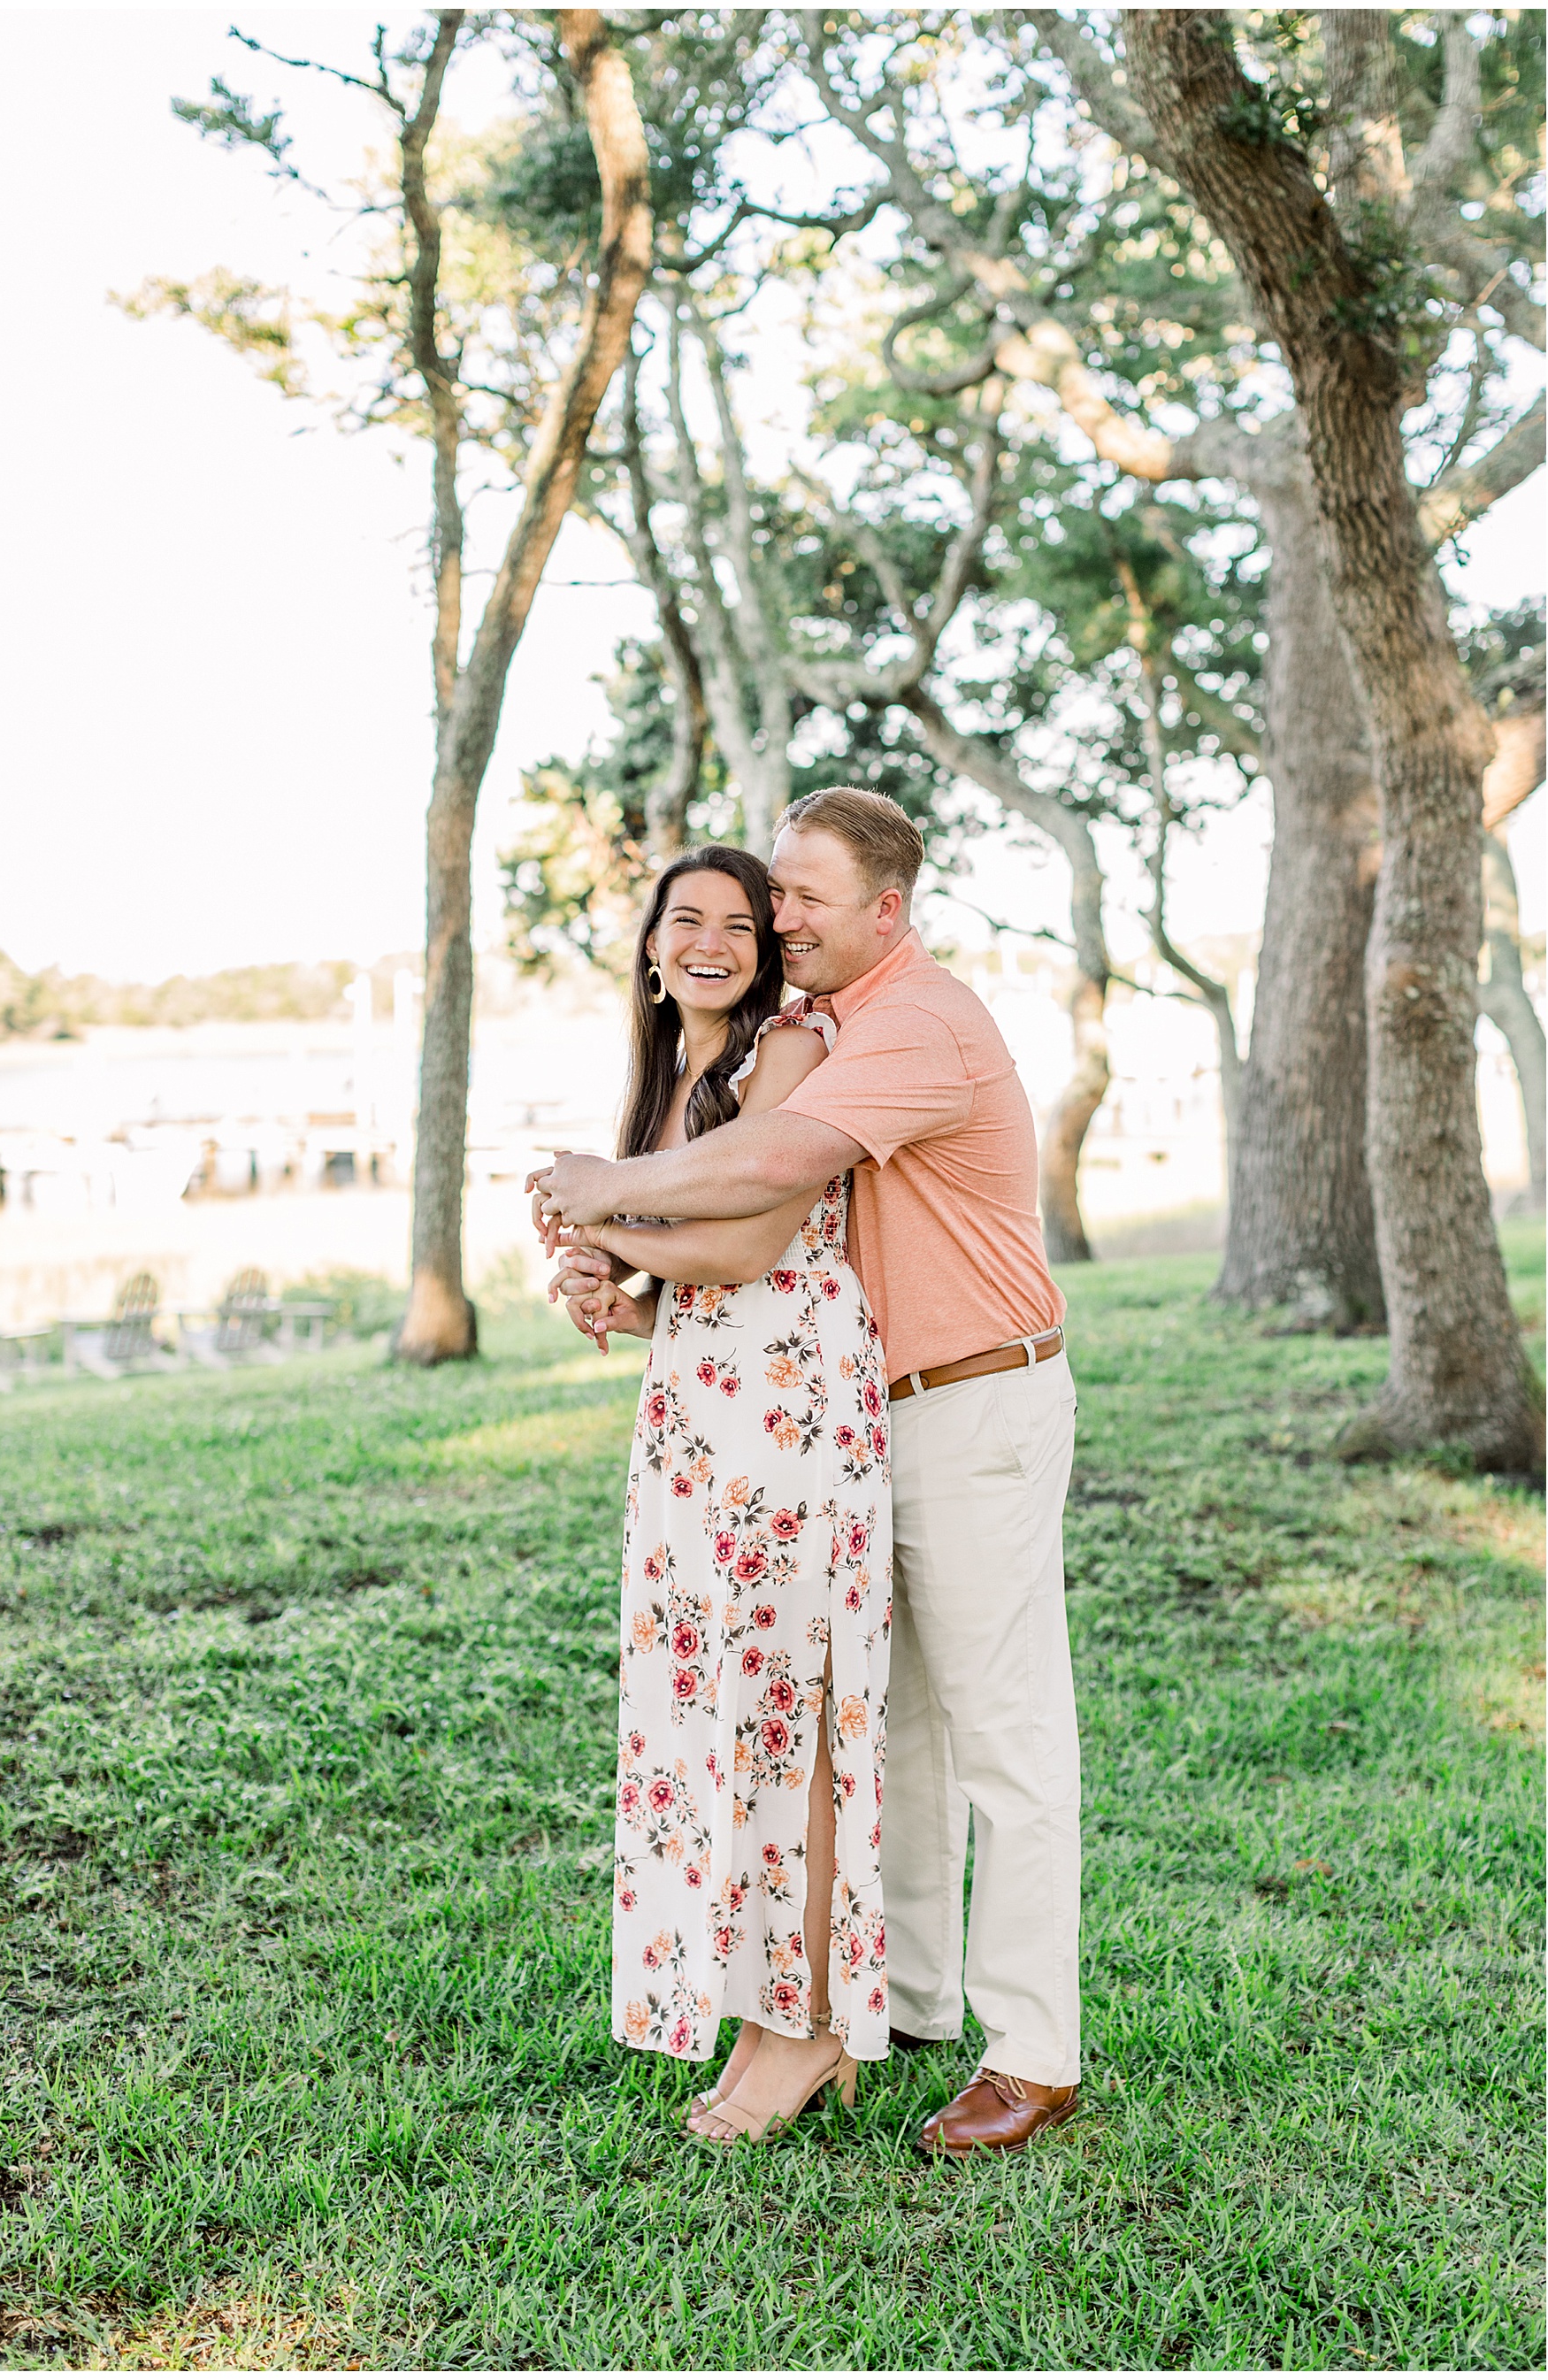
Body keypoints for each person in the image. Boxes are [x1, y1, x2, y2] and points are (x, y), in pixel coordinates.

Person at [535, 787, 1080, 2159]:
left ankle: (1035, 2053)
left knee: (1001, 1730)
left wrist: (599, 1193)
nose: (780, 918)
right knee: (887, 1726)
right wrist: (615, 1252)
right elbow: (743, 1239)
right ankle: (886, 1999)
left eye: (801, 898)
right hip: (862, 1407)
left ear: (887, 908)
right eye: (769, 892)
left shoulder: (910, 1024)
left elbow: (775, 1168)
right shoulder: (823, 1024)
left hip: (973, 1397)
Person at [550, 843, 893, 2146]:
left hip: (793, 1419)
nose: (712, 940)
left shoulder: (788, 1049)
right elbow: (685, 1288)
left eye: (738, 921)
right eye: (684, 918)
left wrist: (600, 1221)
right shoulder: (669, 1081)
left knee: (787, 1713)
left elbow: (753, 1241)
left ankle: (803, 2030)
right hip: (699, 1421)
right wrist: (610, 1287)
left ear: (763, 949)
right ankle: (762, 2005)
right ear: (650, 945)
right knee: (719, 1715)